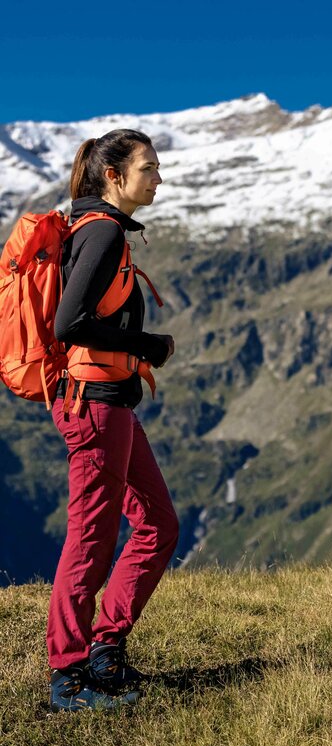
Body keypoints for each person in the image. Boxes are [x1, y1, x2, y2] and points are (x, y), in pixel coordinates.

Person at [47, 128, 178, 712]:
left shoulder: (100, 230)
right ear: (114, 177)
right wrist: (145, 343)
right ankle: (69, 674)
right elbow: (69, 324)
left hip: (109, 401)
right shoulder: (100, 232)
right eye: (148, 168)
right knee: (92, 537)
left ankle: (107, 647)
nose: (157, 178)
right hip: (94, 405)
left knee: (157, 524)